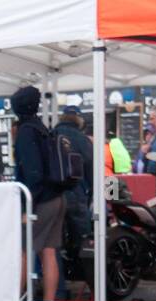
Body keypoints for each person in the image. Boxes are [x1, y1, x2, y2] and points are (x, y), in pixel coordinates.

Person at [12, 85, 66, 301]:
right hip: (56, 197)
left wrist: (27, 208)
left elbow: (33, 173)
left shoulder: (26, 131)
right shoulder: (43, 128)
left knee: (25, 250)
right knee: (49, 251)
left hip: (39, 201)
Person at [54, 106, 93, 267]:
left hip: (54, 194)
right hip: (76, 192)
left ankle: (61, 277)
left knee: (55, 240)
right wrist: (93, 193)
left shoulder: (52, 134)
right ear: (78, 120)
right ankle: (86, 273)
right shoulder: (82, 139)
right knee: (83, 236)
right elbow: (91, 167)